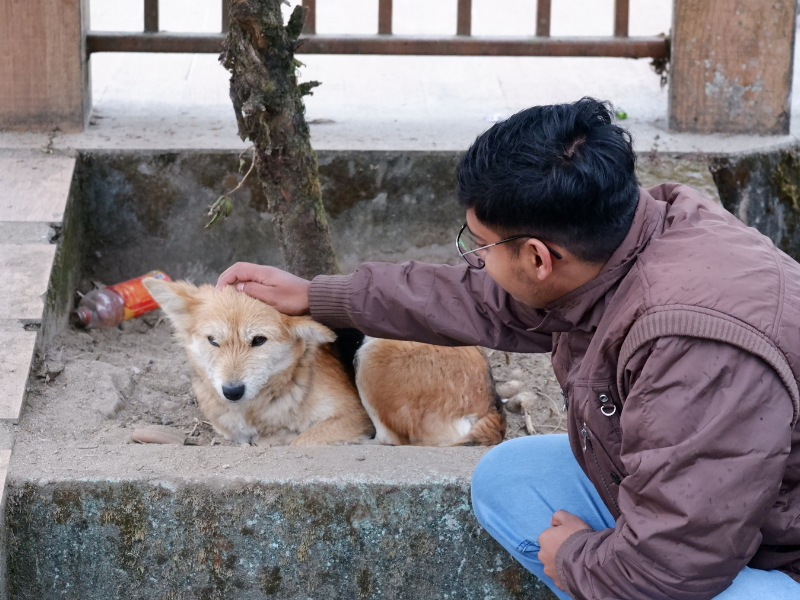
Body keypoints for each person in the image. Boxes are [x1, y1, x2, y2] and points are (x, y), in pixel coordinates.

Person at [216, 98, 800, 600]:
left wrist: (574, 558)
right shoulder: (641, 229)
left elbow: (676, 562)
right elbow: (482, 299)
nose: (476, 258)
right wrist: (318, 296)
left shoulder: (692, 344)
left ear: (539, 258)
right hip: (736, 506)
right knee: (510, 477)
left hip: (773, 552)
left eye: (482, 244)